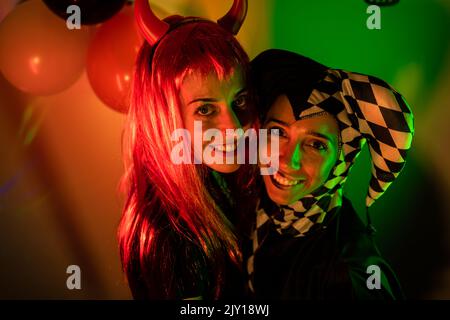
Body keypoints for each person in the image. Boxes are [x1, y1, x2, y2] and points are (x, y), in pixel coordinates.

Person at [246, 49, 414, 299]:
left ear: (341, 160)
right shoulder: (248, 201)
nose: (288, 161)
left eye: (316, 144)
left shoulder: (348, 278)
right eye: (278, 132)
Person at [118, 0, 258, 299]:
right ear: (165, 116)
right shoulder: (168, 236)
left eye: (240, 100)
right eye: (206, 109)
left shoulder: (237, 181)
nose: (232, 128)